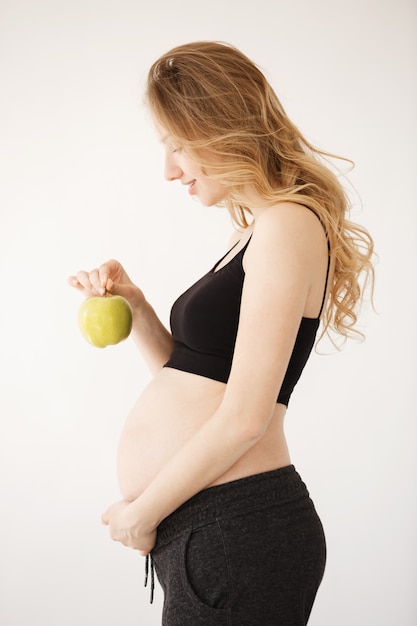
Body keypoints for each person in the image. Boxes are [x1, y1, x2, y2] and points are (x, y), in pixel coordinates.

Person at [69, 41, 374, 625]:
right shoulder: (259, 229)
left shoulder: (287, 225)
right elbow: (194, 377)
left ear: (223, 130)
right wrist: (137, 306)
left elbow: (244, 416)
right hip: (215, 528)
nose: (169, 170)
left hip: (237, 529)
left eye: (178, 146)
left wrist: (143, 515)